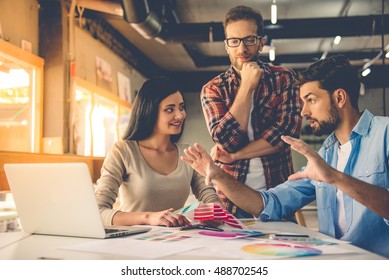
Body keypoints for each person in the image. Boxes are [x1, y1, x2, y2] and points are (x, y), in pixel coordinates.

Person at [182, 55, 389, 258]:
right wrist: (218, 175)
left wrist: (335, 178)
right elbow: (267, 204)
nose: (303, 112)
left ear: (340, 98)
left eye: (311, 100)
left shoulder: (385, 134)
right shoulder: (326, 153)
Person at [200, 5, 302, 218]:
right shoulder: (213, 89)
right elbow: (225, 140)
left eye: (249, 40)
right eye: (234, 41)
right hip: (233, 202)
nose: (242, 48)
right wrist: (247, 86)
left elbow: (287, 135)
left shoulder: (284, 78)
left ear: (261, 43)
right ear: (226, 46)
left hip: (279, 197)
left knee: (285, 252)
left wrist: (236, 155)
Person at [95, 76, 221, 228]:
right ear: (149, 111)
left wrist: (213, 213)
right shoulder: (123, 151)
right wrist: (148, 218)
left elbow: (213, 202)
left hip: (175, 240)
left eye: (181, 107)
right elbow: (98, 212)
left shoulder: (189, 154)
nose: (180, 115)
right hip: (133, 242)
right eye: (170, 109)